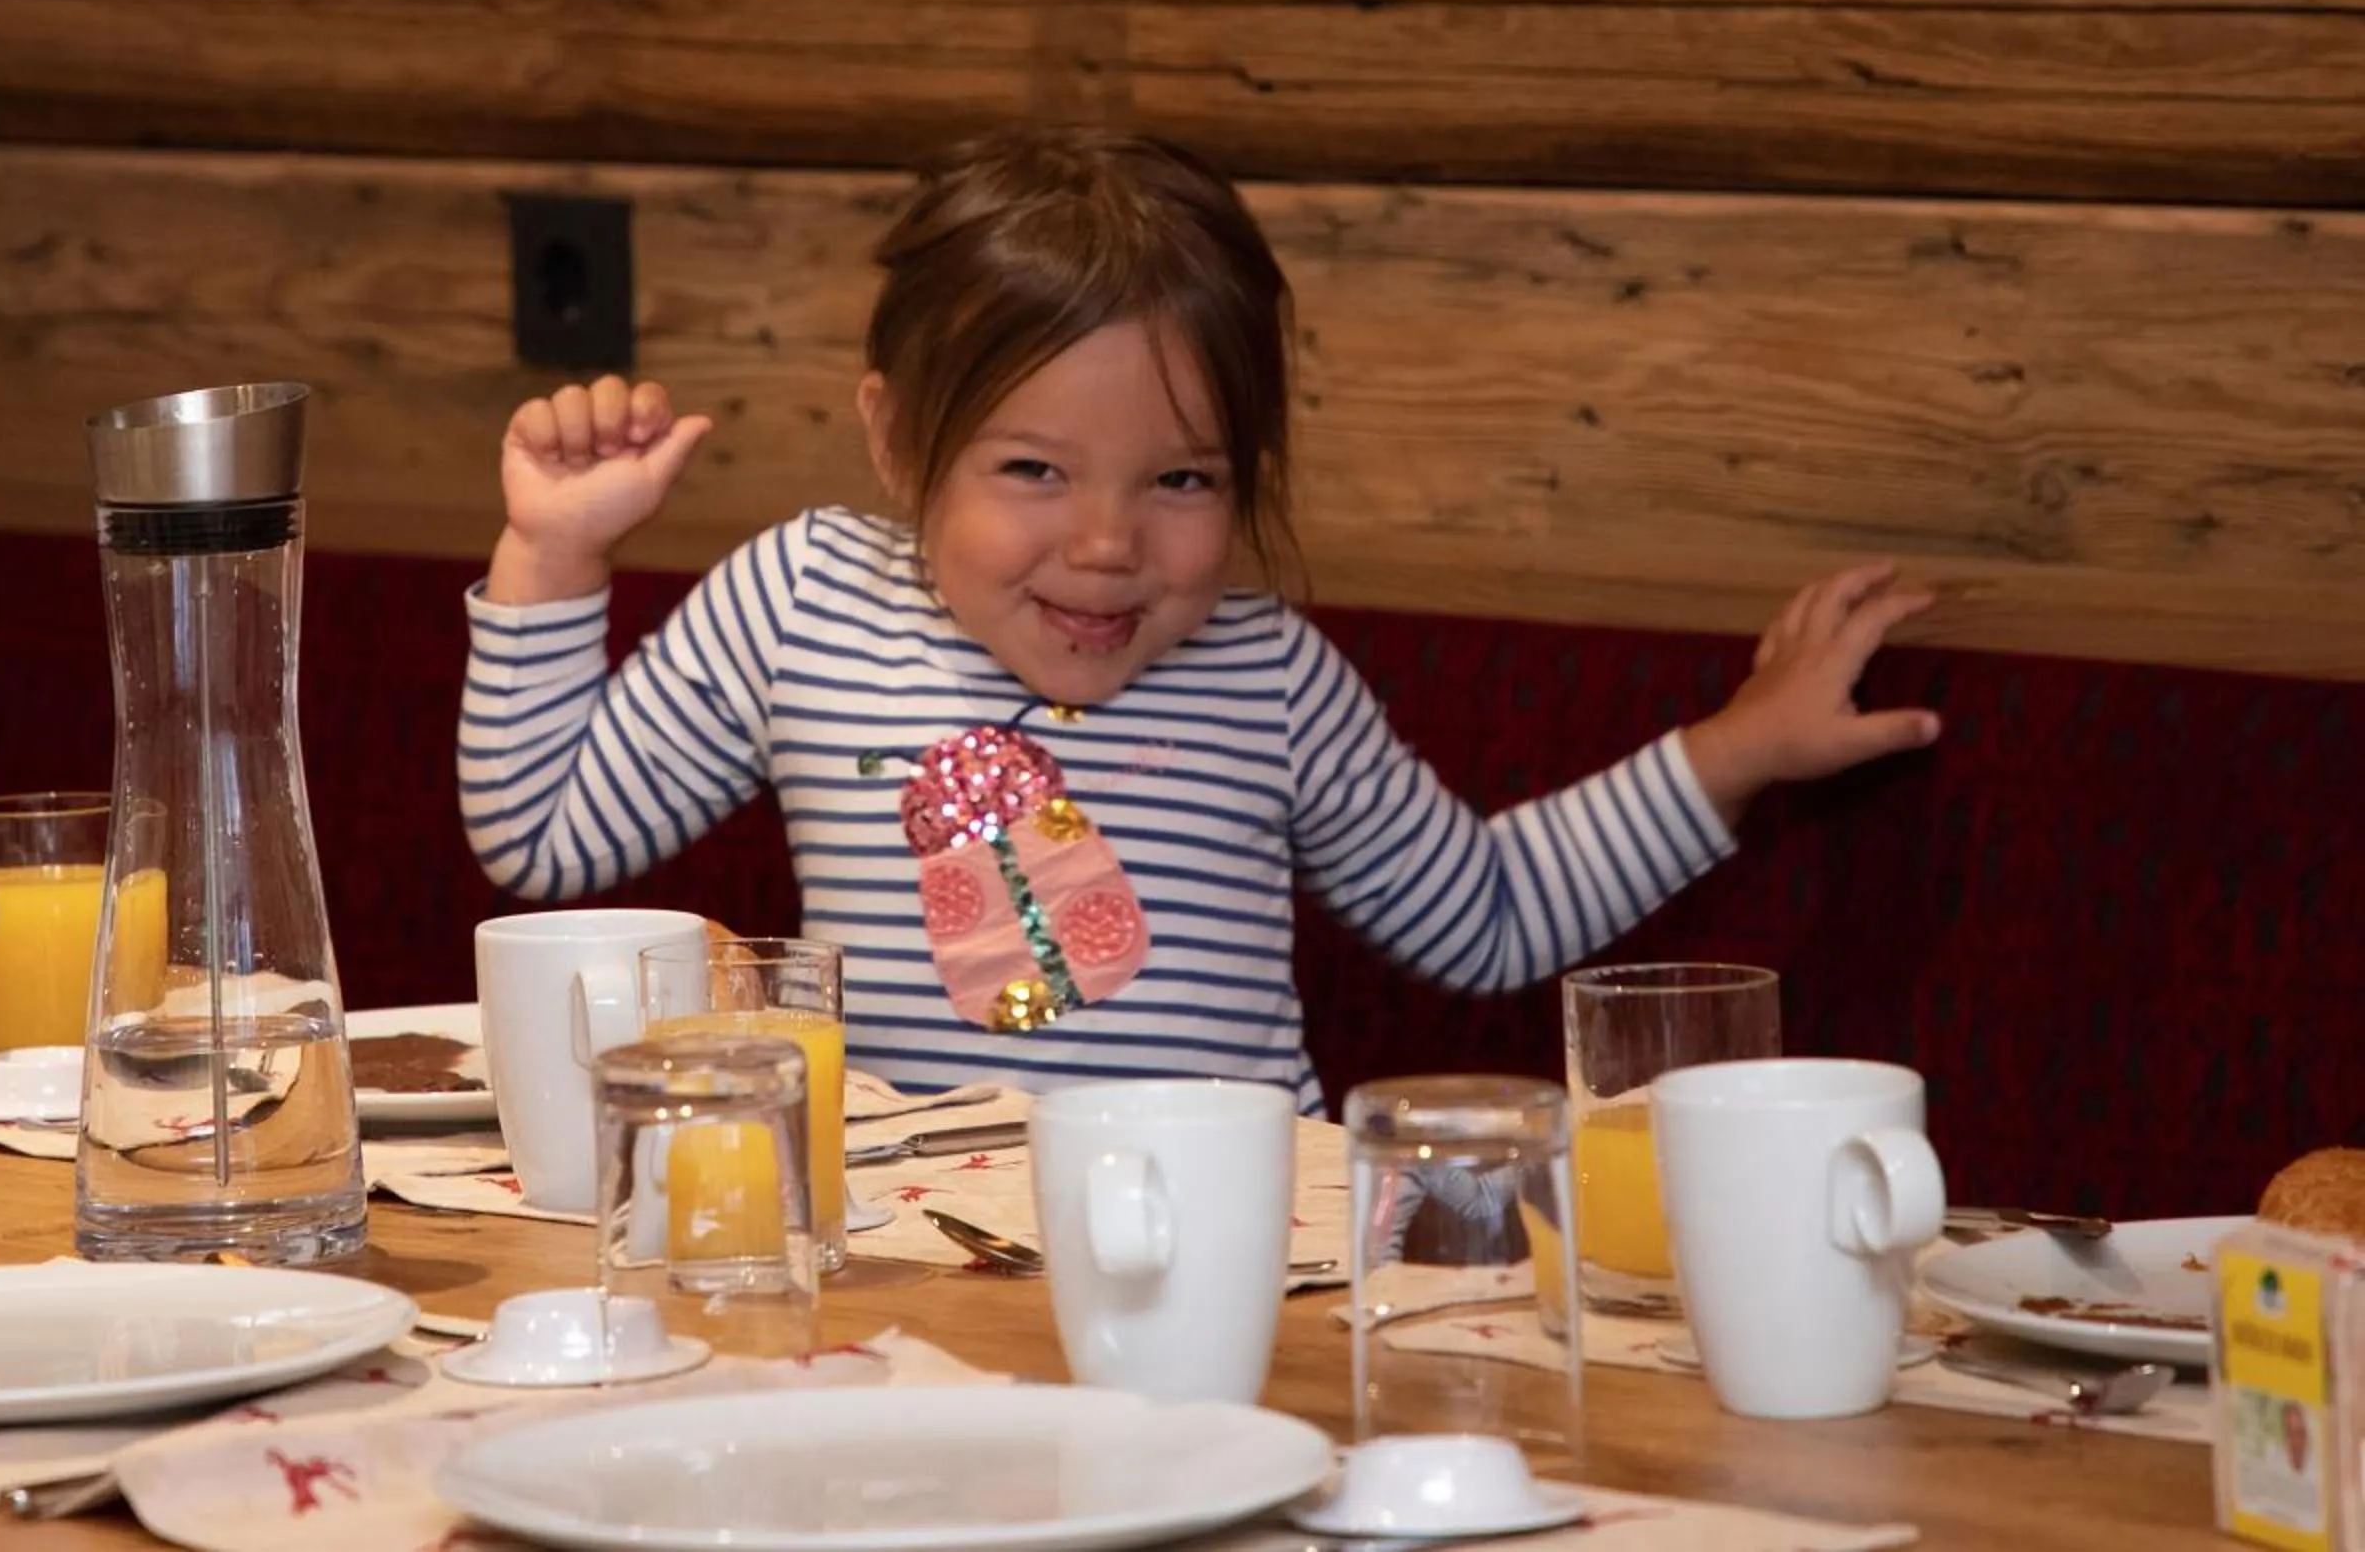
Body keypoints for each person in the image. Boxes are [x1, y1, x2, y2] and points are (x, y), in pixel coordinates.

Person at [457, 131, 1938, 1105]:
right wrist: (554, 554)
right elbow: (542, 839)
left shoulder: (1270, 675)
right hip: (912, 1261)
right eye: (1033, 470)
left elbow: (1485, 916)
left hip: (1230, 1248)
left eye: (1182, 479)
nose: (1108, 547)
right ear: (900, 442)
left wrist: (1740, 747)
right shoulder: (803, 602)